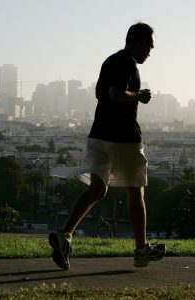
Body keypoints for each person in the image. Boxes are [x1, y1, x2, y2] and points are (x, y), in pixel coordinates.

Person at [49, 22, 165, 270]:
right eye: (149, 46)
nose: (149, 52)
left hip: (99, 135)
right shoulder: (127, 64)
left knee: (97, 190)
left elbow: (102, 93)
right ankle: (141, 250)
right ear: (139, 42)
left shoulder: (109, 61)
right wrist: (138, 96)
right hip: (123, 137)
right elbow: (115, 93)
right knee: (136, 193)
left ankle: (65, 235)